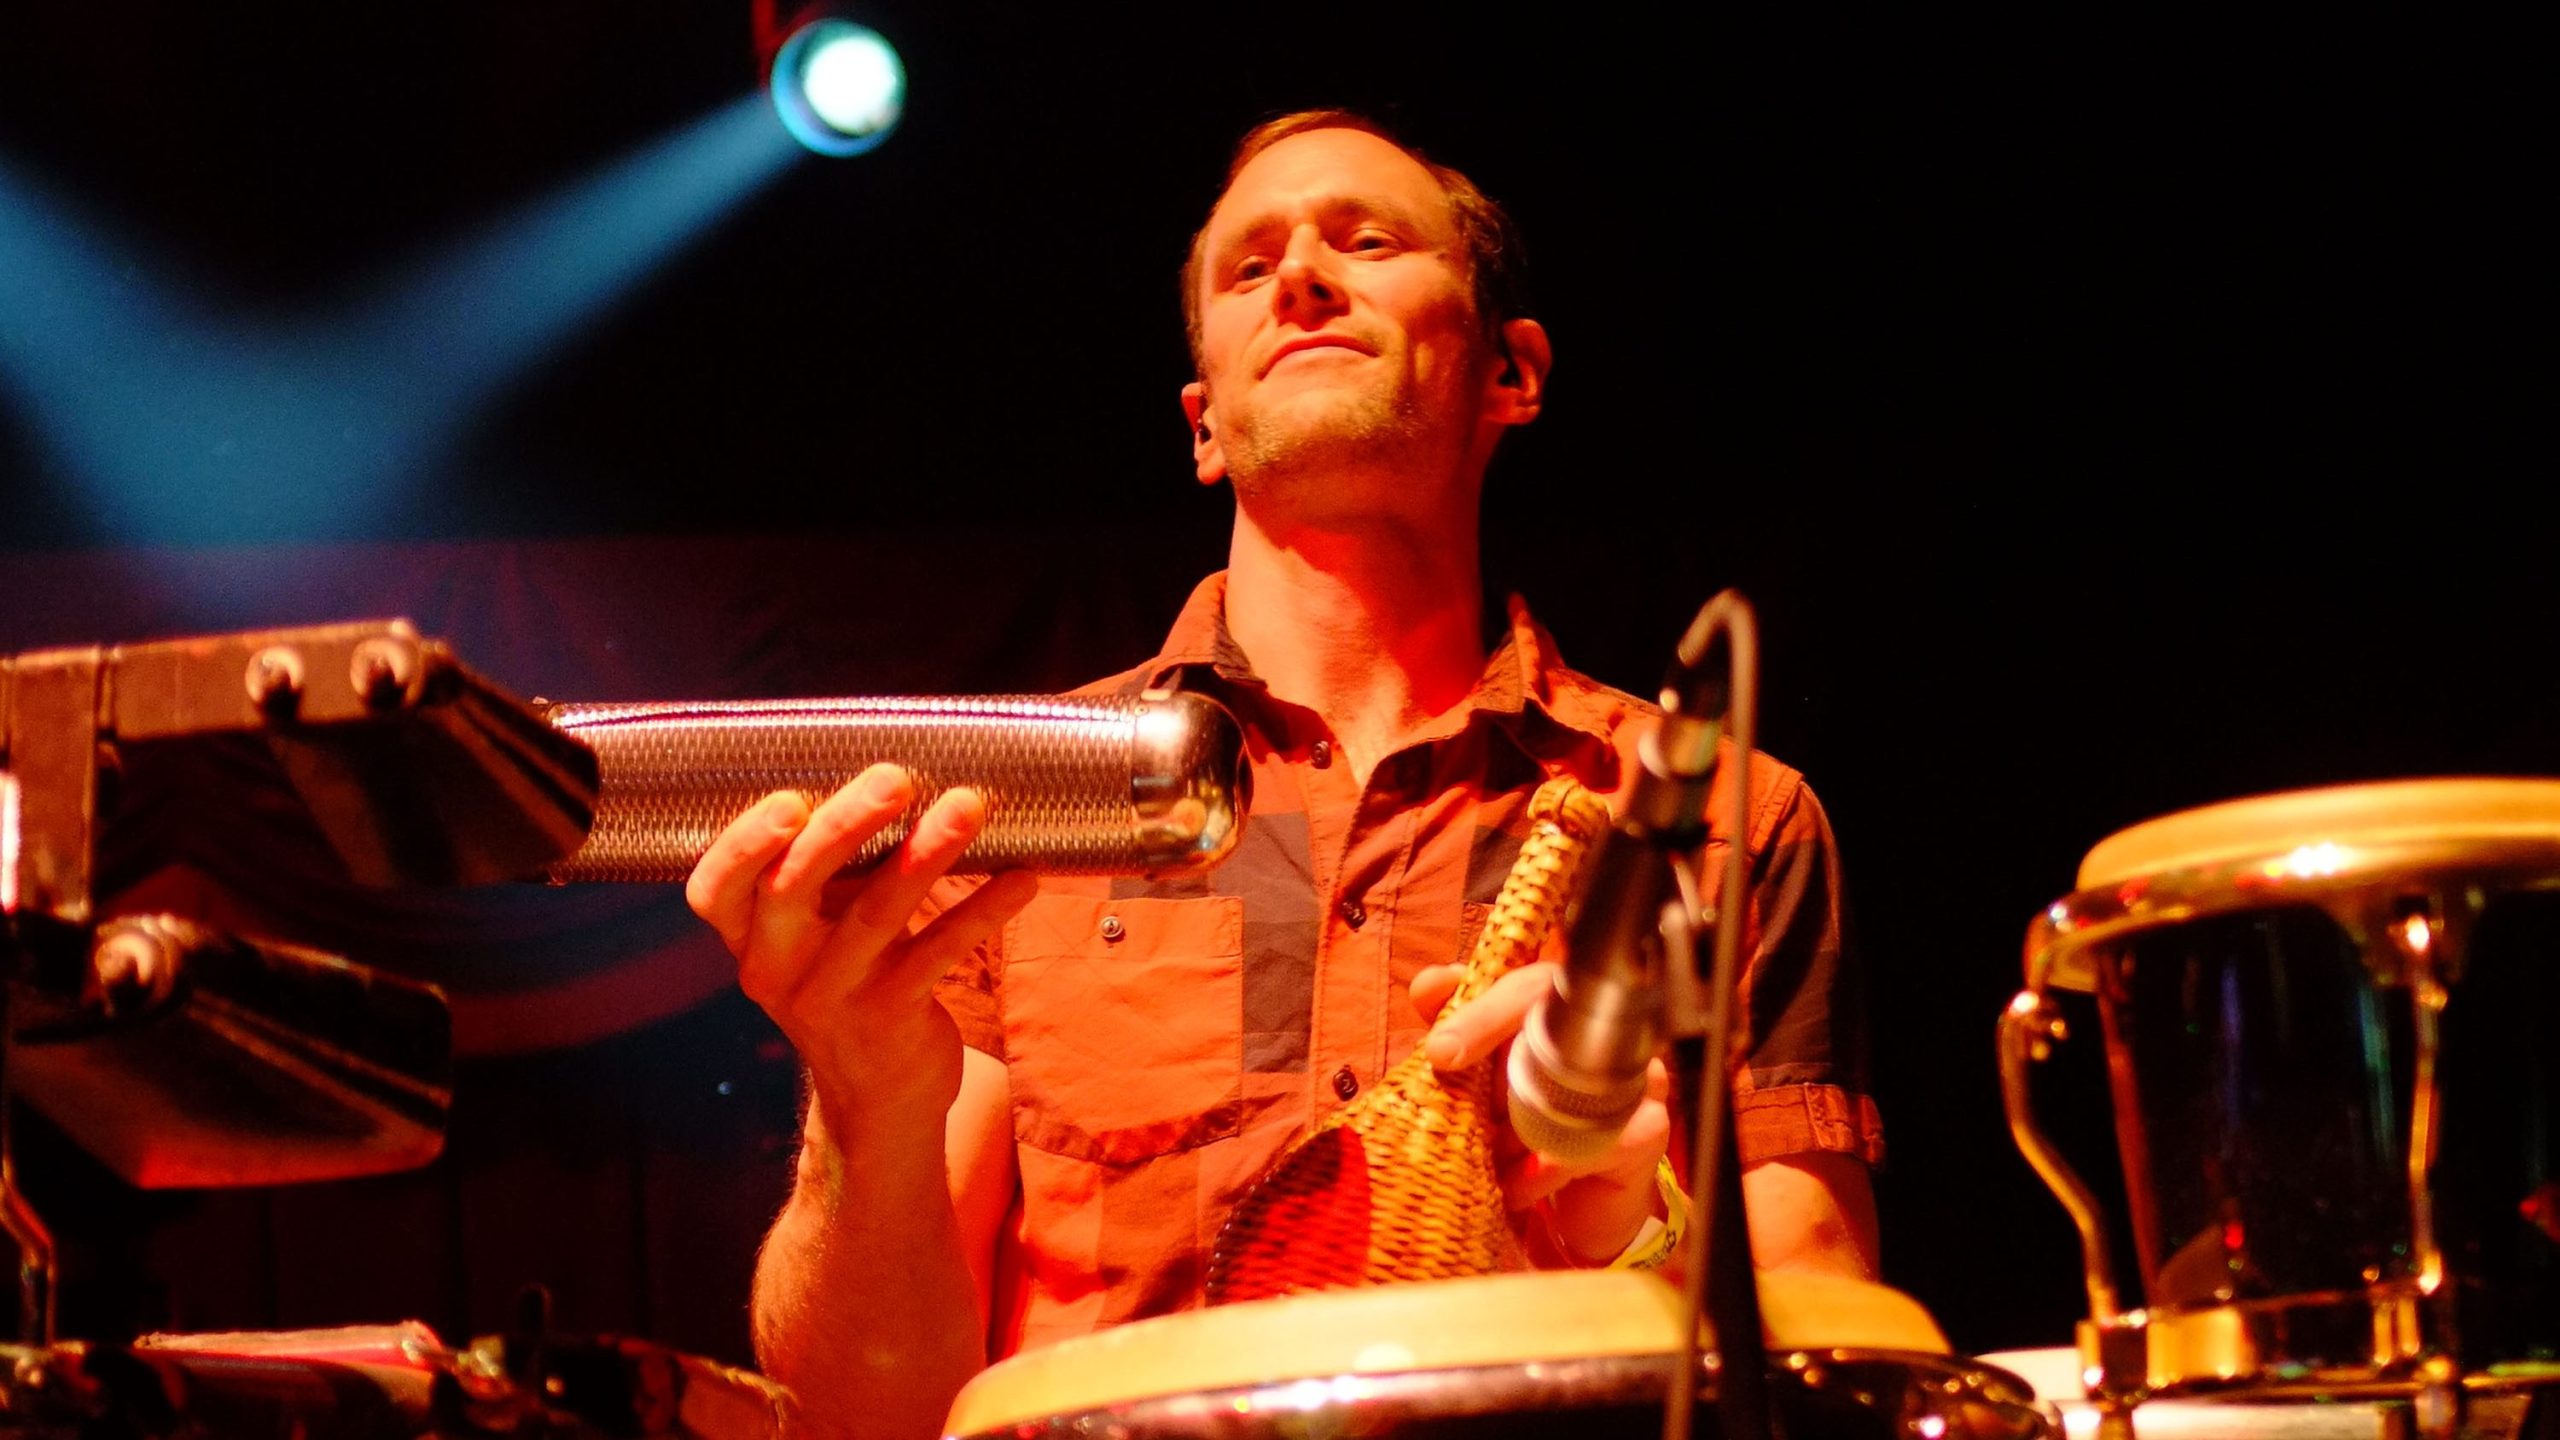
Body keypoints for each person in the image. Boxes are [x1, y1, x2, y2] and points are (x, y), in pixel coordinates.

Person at [685, 109, 1882, 1440]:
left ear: (1513, 372)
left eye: (1367, 241)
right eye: (1249, 270)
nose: (1303, 273)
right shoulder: (1015, 813)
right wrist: (865, 1106)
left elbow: (1817, 1361)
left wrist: (1630, 1228)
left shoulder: (1719, 815)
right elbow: (860, 1419)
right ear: (1205, 424)